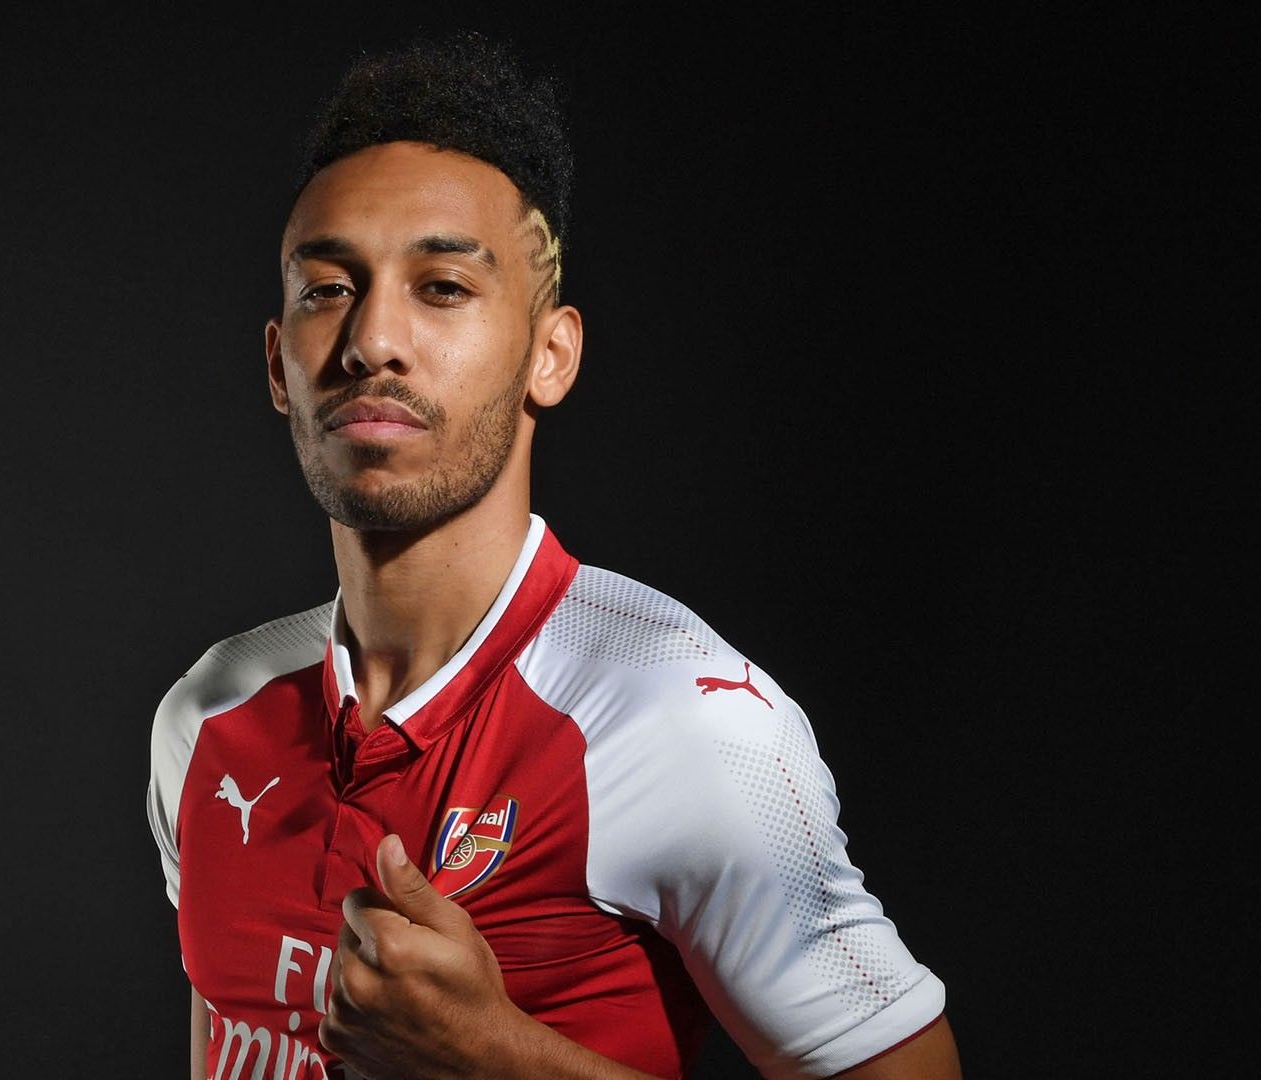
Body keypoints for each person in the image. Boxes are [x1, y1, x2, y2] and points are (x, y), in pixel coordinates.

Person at [147, 32, 961, 1080]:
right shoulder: (207, 717)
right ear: (277, 366)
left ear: (551, 354)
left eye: (443, 286)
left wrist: (496, 1057)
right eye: (328, 288)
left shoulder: (689, 721)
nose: (372, 340)